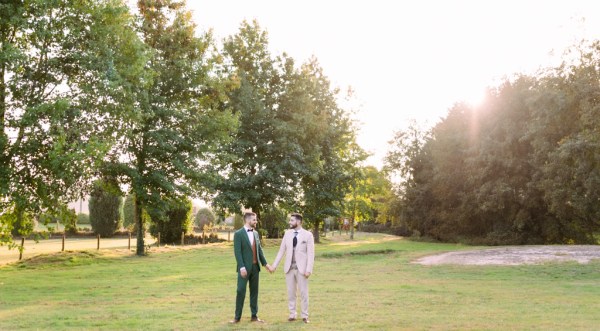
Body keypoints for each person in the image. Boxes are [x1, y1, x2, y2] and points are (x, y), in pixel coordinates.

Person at [270, 213, 315, 323]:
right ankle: (292, 314)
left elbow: (311, 254)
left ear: (299, 222)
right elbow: (281, 251)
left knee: (304, 293)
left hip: (302, 269)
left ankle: (305, 315)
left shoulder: (308, 235)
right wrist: (274, 266)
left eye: (292, 220)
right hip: (289, 268)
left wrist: (309, 269)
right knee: (291, 293)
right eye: (290, 220)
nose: (289, 222)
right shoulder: (287, 234)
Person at [230, 212, 273, 324]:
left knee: (254, 292)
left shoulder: (256, 233)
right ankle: (237, 317)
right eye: (254, 220)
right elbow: (237, 252)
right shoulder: (238, 234)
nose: (256, 221)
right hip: (244, 268)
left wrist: (266, 264)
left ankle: (254, 316)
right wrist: (241, 267)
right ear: (247, 220)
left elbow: (259, 250)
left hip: (255, 268)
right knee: (240, 291)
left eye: (255, 219)